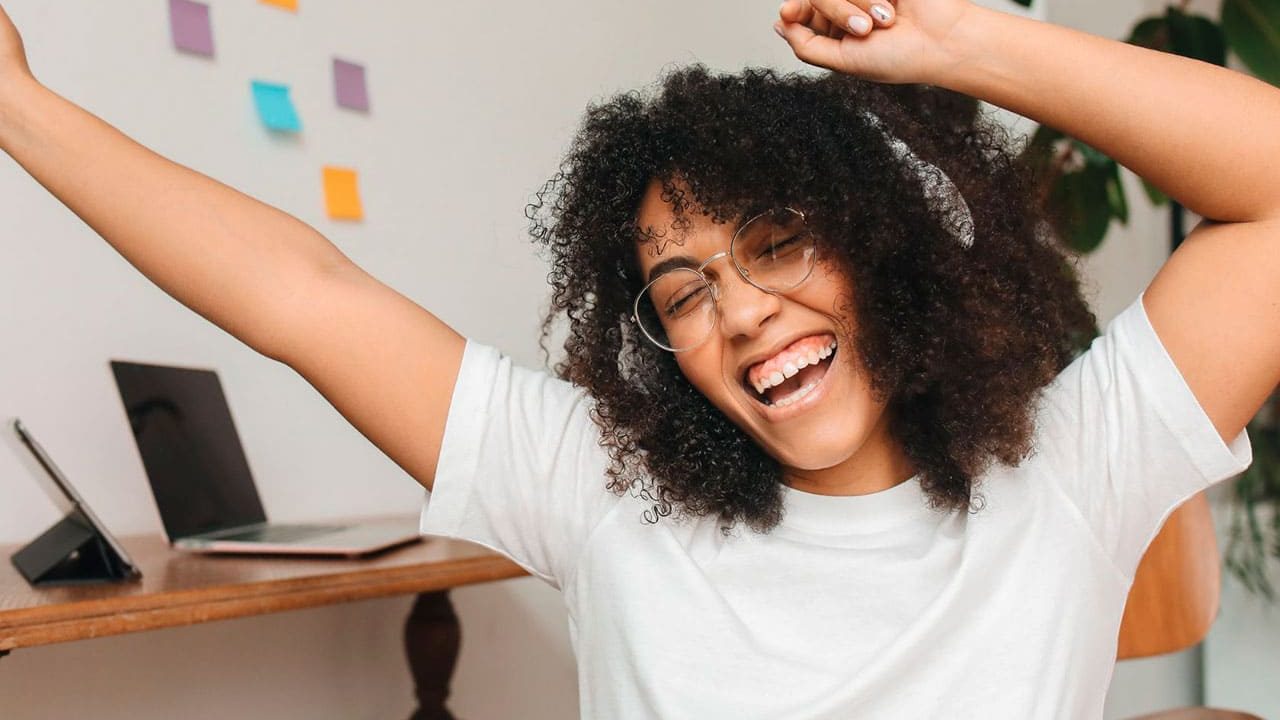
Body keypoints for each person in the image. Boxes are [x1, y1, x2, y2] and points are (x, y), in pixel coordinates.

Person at [1, 0, 1275, 716]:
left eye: (778, 243)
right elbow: (302, 295)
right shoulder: (602, 490)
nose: (741, 312)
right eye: (684, 290)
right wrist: (19, 104)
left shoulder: (1067, 470)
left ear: (880, 247)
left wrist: (948, 47)